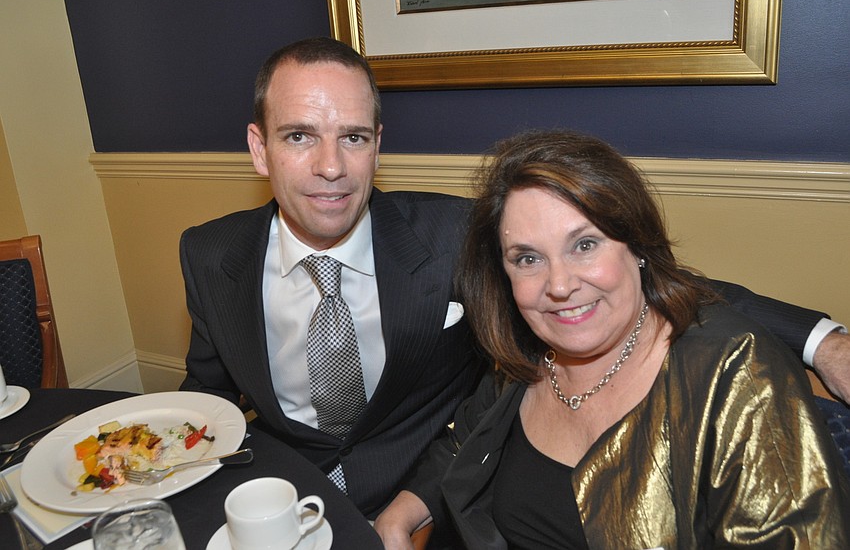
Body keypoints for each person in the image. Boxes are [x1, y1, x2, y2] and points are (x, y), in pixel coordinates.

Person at [179, 37, 850, 523]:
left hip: (423, 503)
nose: (333, 166)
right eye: (300, 137)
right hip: (268, 506)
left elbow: (641, 284)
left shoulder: (453, 236)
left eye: (353, 137)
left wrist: (823, 341)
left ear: (377, 144)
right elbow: (205, 397)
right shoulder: (210, 254)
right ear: (258, 149)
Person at [375, 131, 850, 548]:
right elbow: (463, 443)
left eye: (585, 245)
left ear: (637, 246)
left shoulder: (735, 375)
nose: (559, 285)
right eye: (527, 259)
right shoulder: (527, 357)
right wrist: (399, 515)